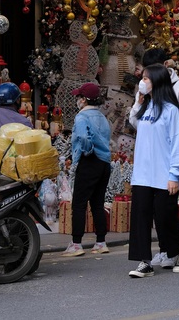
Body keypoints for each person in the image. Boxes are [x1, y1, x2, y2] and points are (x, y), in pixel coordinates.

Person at [127, 64, 179, 277]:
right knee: (140, 217)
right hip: (143, 174)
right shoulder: (145, 107)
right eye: (142, 78)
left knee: (165, 217)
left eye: (147, 79)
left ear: (158, 81)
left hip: (164, 175)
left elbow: (177, 143)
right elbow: (134, 122)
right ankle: (144, 261)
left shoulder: (171, 110)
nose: (142, 82)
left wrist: (174, 174)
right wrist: (138, 103)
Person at [61, 83, 112, 257]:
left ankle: (76, 244)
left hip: (89, 161)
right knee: (97, 204)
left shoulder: (82, 117)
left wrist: (87, 149)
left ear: (83, 99)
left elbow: (83, 136)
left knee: (79, 204)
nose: (77, 100)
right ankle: (101, 242)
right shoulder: (103, 117)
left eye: (79, 97)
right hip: (104, 163)